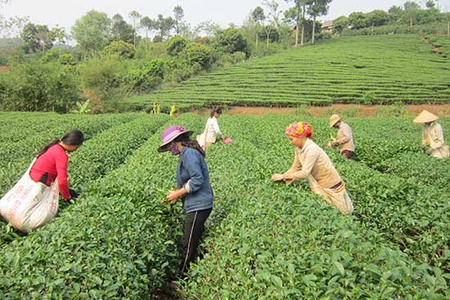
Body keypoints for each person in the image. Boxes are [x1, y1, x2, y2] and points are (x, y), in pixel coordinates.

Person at [158, 125, 214, 279]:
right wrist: (176, 195)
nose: (170, 150)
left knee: (188, 242)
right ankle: (192, 271)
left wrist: (178, 193)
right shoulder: (186, 153)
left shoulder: (189, 154)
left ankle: (182, 277)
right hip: (196, 203)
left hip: (199, 204)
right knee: (192, 239)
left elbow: (197, 180)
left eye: (169, 146)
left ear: (176, 142)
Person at [271, 121, 354, 214]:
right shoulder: (298, 148)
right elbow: (295, 167)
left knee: (342, 212)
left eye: (292, 139)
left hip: (331, 184)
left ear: (301, 136)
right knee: (328, 211)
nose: (291, 142)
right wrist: (283, 176)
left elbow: (305, 173)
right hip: (320, 183)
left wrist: (283, 177)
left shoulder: (312, 149)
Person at [30, 129, 84, 201]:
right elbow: (62, 181)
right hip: (40, 184)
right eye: (77, 147)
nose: (76, 149)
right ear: (72, 144)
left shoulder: (54, 146)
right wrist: (67, 197)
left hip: (32, 180)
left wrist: (66, 190)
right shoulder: (61, 155)